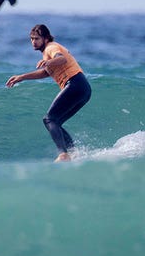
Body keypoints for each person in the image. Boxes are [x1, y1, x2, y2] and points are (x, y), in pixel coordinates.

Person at [6, 24, 92, 161]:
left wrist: (49, 61)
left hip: (75, 84)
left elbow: (61, 58)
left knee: (49, 119)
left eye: (37, 39)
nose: (33, 42)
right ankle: (73, 153)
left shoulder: (51, 47)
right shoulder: (47, 52)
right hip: (83, 89)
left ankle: (63, 154)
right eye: (31, 39)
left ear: (45, 39)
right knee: (55, 122)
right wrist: (22, 77)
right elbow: (46, 72)